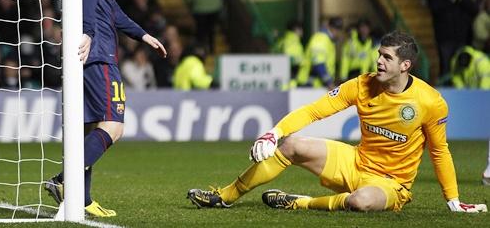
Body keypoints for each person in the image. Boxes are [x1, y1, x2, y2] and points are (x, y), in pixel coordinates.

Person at [187, 31, 487, 213]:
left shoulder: (430, 101)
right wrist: (274, 133)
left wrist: (453, 199)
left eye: (386, 58)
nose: (378, 62)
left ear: (405, 65)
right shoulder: (361, 84)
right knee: (291, 145)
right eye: (378, 55)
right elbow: (315, 110)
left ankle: (299, 202)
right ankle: (224, 196)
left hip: (390, 184)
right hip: (356, 161)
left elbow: (439, 151)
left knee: (360, 202)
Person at [44, 0, 167, 217]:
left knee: (90, 128)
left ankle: (81, 199)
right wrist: (85, 31)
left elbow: (108, 5)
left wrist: (142, 34)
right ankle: (63, 181)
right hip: (97, 52)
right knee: (113, 126)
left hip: (88, 49)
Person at [449, 46, 490, 187]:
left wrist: (478, 98)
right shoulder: (456, 60)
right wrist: (465, 95)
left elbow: (486, 85)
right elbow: (456, 77)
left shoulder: (482, 63)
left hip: (483, 95)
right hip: (473, 96)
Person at [296, 17, 343, 88]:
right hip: (311, 85)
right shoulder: (321, 38)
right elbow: (318, 64)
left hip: (317, 85)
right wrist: (329, 83)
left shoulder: (328, 40)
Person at [272, 21, 304, 88]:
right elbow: (292, 61)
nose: (302, 32)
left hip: (278, 82)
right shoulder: (294, 43)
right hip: (290, 83)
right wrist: (304, 61)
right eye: (301, 29)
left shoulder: (281, 41)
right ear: (296, 30)